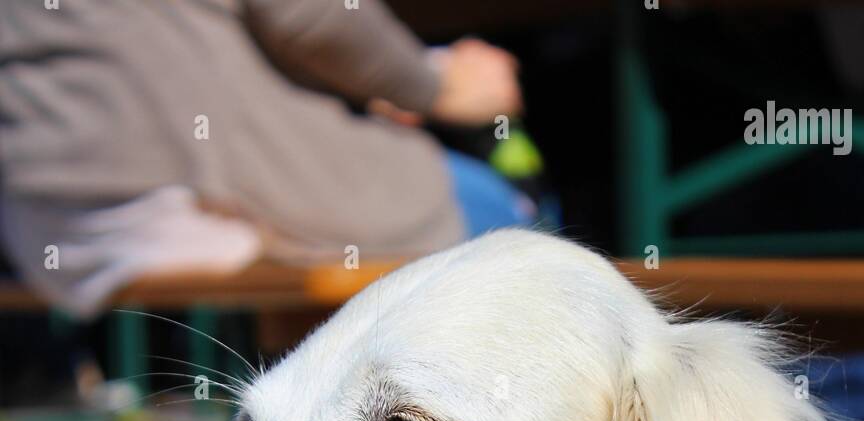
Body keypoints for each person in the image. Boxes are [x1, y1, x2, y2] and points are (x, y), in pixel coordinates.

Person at [0, 0, 530, 316]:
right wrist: (434, 83)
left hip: (45, 225)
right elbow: (313, 18)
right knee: (505, 216)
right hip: (208, 195)